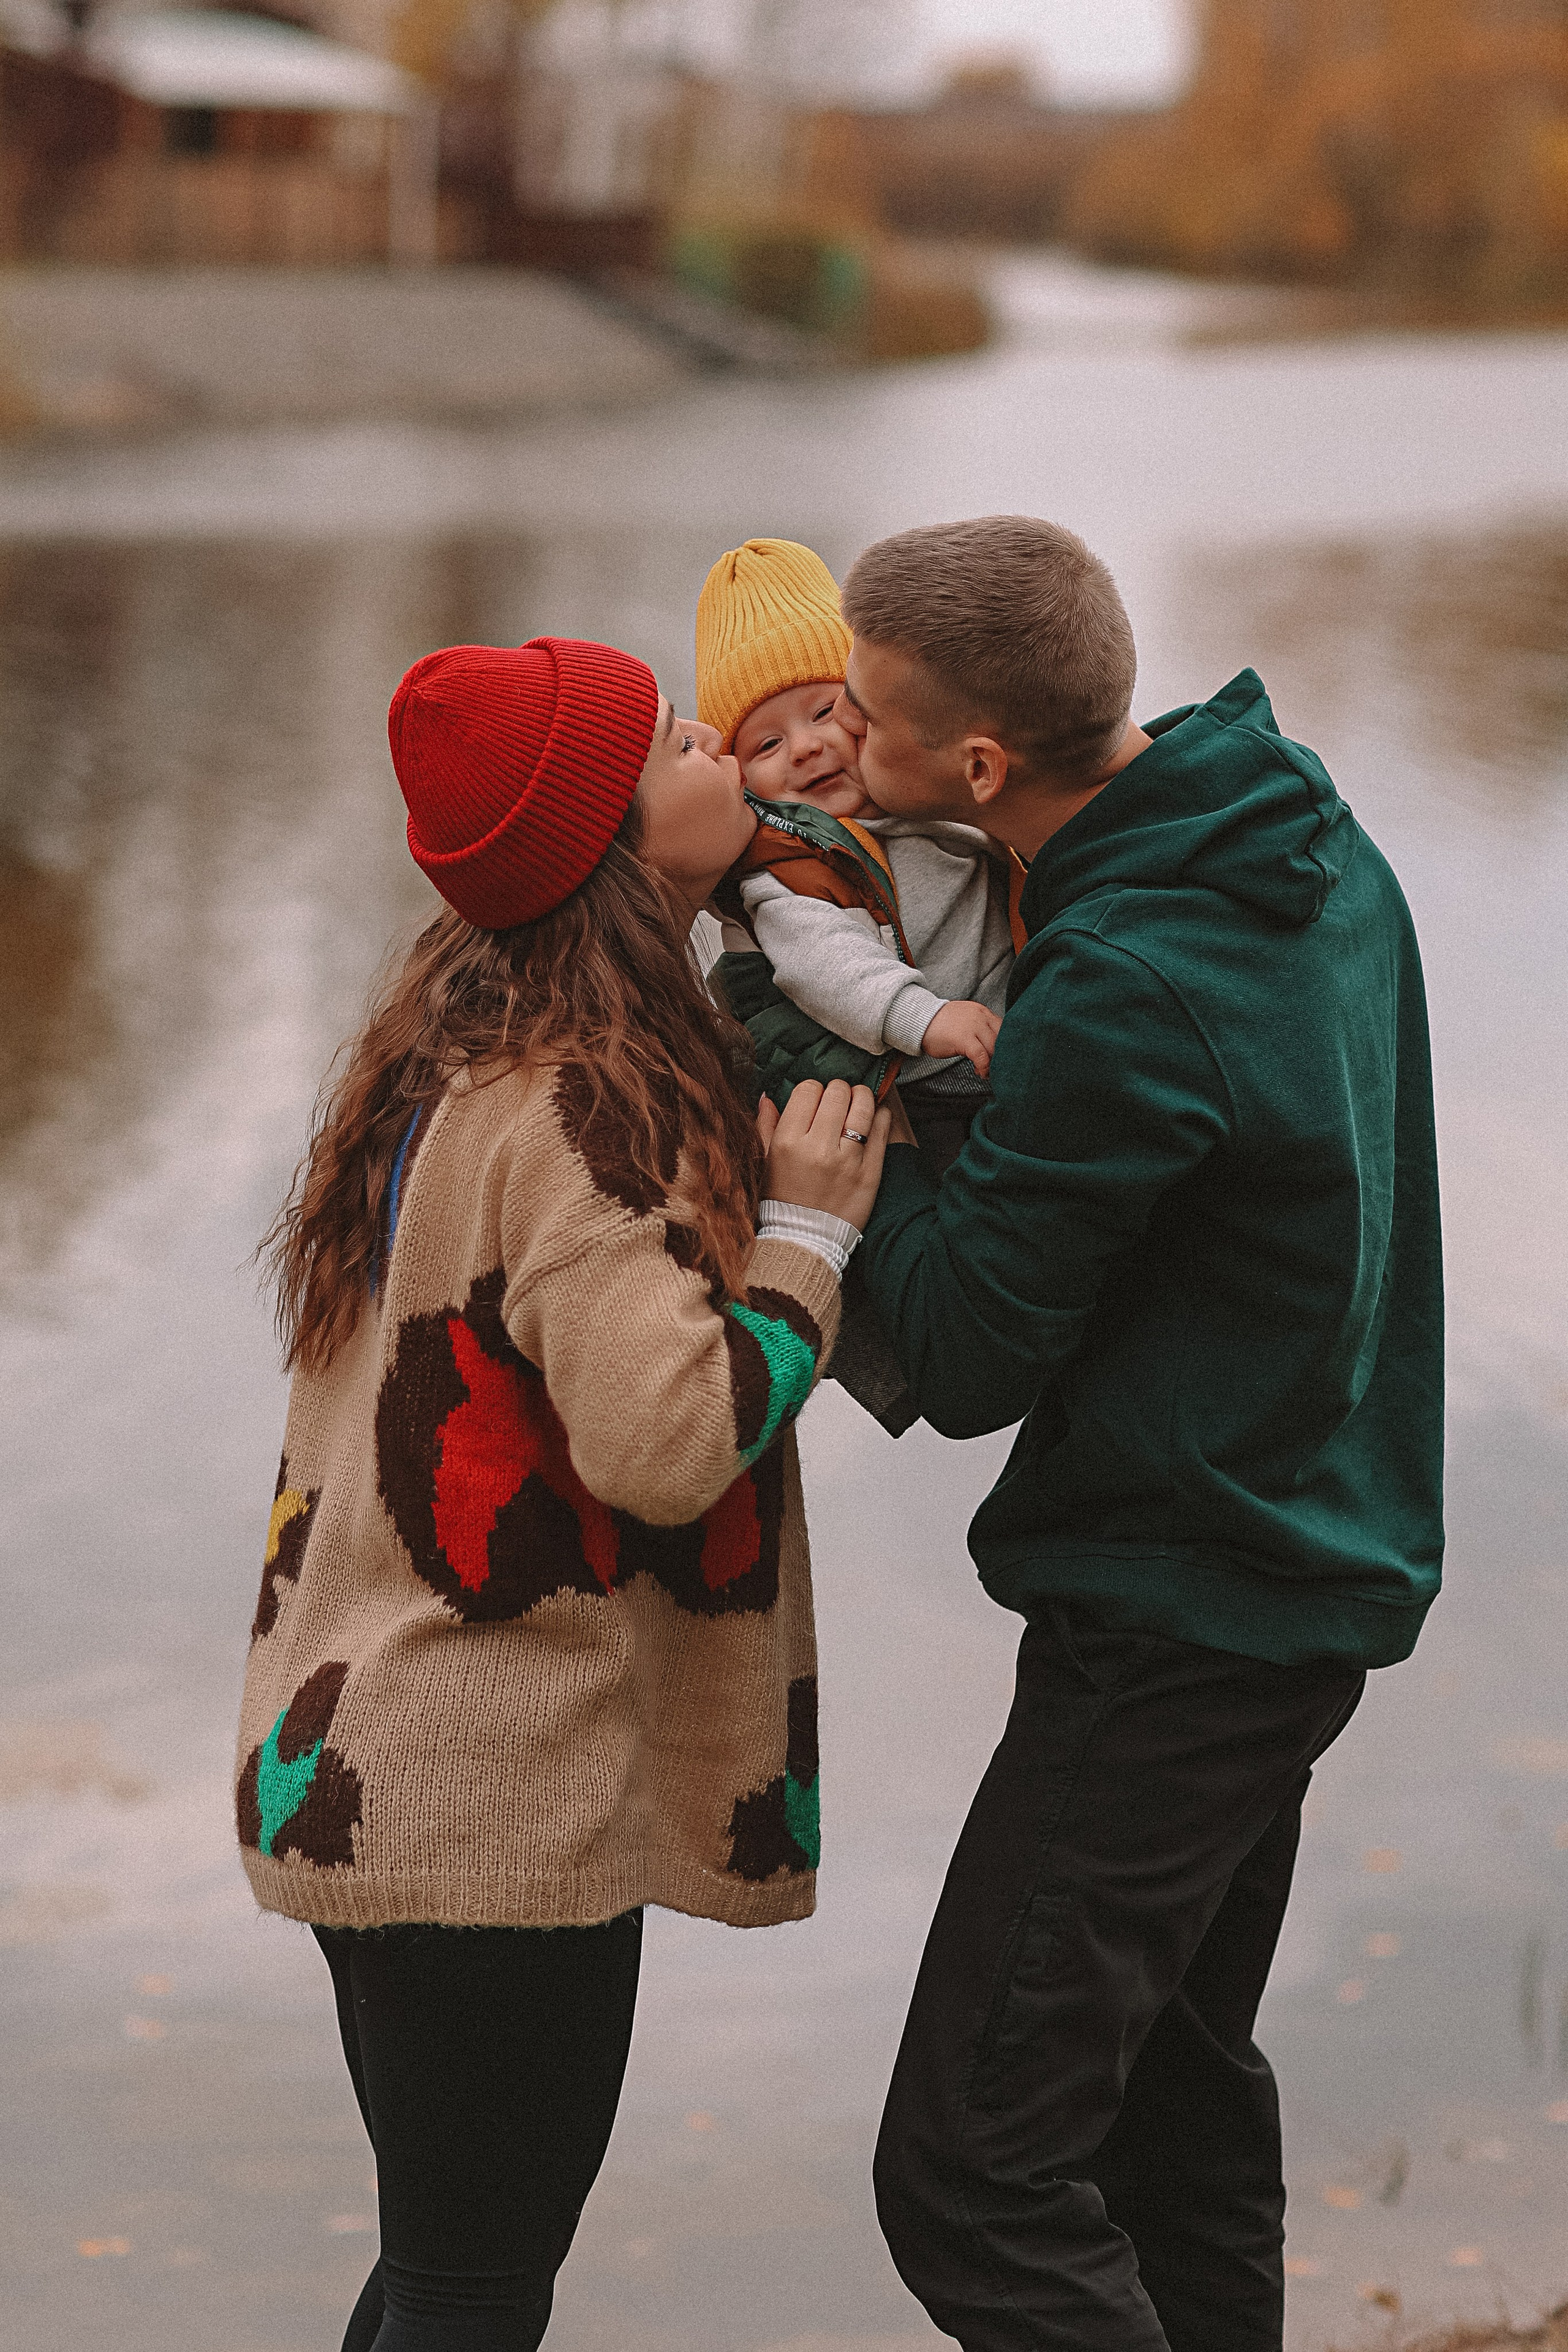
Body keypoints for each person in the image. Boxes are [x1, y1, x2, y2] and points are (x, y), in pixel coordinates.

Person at [238, 633, 889, 2352]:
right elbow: (667, 1438)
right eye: (668, 737)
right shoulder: (585, 1095)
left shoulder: (449, 1052)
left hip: (373, 1753)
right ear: (609, 840)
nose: (705, 732)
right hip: (492, 1786)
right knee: (474, 2283)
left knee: (444, 2265)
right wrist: (810, 1234)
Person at [835, 516, 1444, 2352]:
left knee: (974, 2172)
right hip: (1310, 1558)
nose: (840, 753)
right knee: (1173, 2109)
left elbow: (952, 1352)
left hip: (1183, 1622)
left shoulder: (1125, 988)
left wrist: (814, 1109)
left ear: (978, 767)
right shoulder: (1296, 831)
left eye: (865, 727)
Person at [696, 536, 1022, 1432]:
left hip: (987, 1043)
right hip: (924, 1081)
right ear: (739, 776)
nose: (804, 749)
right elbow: (828, 965)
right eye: (767, 742)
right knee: (962, 1272)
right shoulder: (789, 869)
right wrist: (926, 1019)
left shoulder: (914, 798)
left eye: (826, 710)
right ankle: (914, 1359)